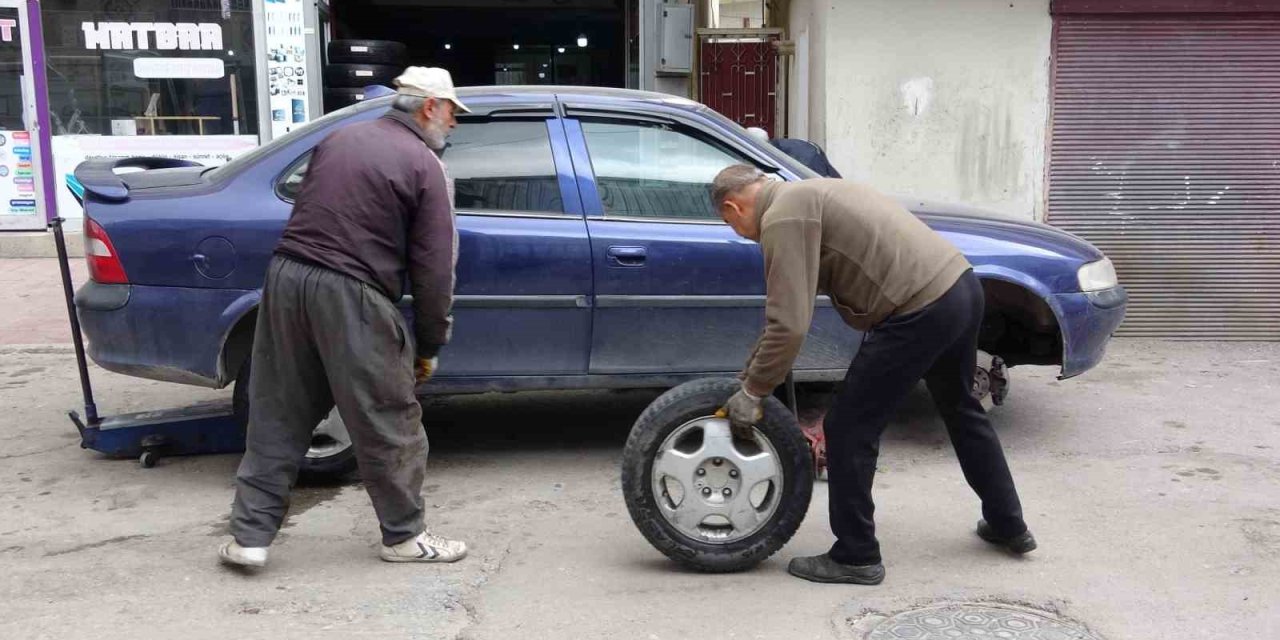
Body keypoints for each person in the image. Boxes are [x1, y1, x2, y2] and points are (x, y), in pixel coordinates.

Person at [713, 164, 1034, 585]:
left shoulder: (783, 217)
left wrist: (753, 390)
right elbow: (784, 321)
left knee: (847, 426)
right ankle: (1009, 524)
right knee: (961, 409)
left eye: (729, 224)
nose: (738, 233)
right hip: (960, 287)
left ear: (733, 207)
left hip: (918, 309)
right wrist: (752, 377)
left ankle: (856, 555)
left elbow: (788, 324)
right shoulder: (811, 192)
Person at [218, 67, 469, 568]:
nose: (455, 123)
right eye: (451, 111)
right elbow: (435, 266)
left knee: (277, 411)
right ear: (427, 107)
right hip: (353, 291)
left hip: (288, 278)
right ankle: (403, 537)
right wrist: (429, 343)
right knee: (388, 417)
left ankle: (250, 540)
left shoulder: (341, 137)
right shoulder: (424, 165)